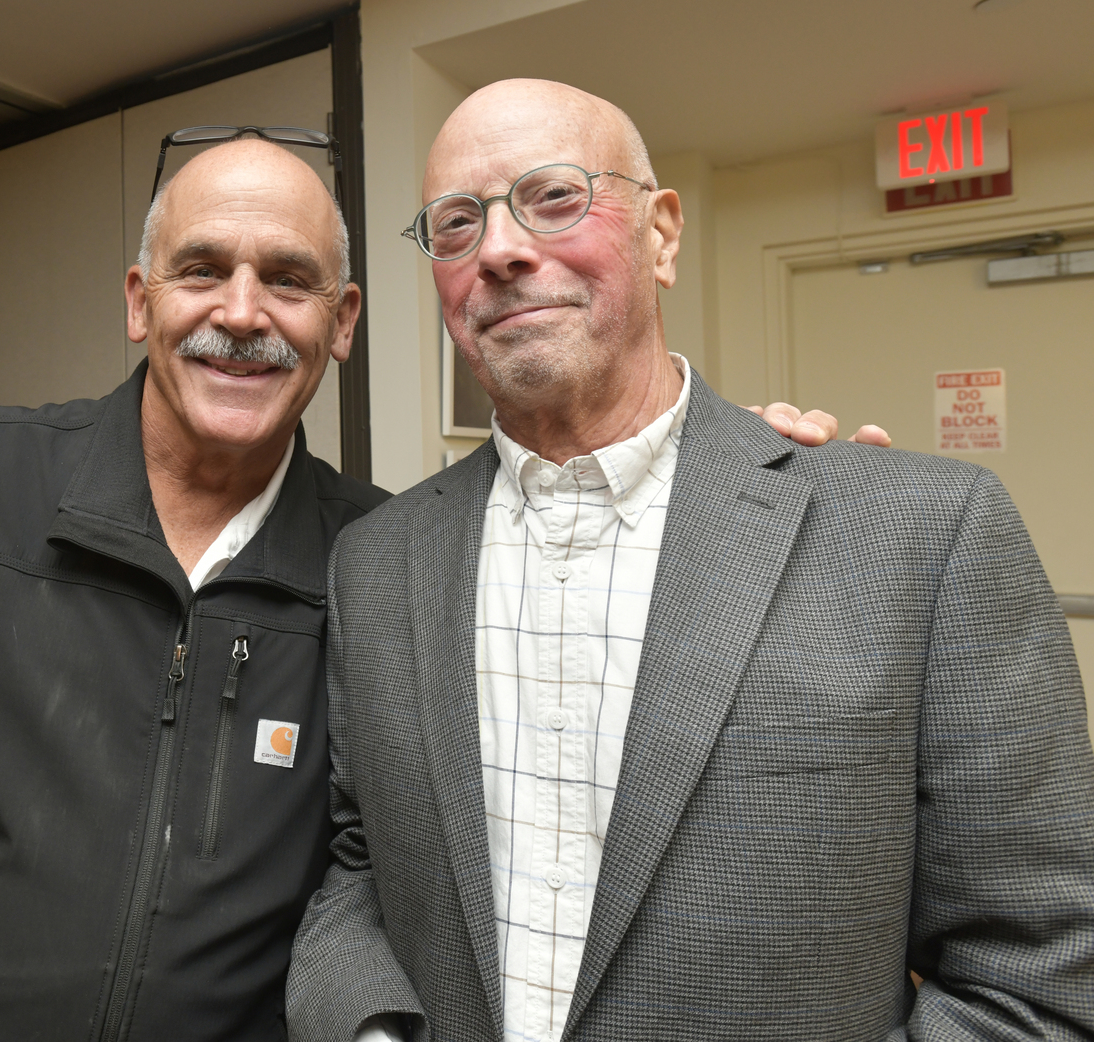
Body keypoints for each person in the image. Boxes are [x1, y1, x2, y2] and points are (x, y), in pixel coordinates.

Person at [0, 133, 877, 1041]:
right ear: (139, 301)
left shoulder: (385, 561)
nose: (240, 314)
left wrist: (745, 479)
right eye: (200, 272)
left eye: (288, 280)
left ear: (343, 323)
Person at [286, 80, 1094, 1042]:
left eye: (553, 196)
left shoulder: (922, 535)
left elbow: (1033, 978)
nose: (499, 249)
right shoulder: (376, 563)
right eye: (456, 225)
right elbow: (361, 862)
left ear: (662, 234)